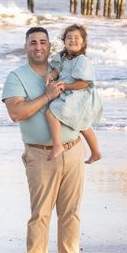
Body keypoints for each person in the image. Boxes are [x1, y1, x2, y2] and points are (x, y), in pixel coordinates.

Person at [2, 26, 85, 253]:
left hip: (73, 149)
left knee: (71, 214)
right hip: (40, 154)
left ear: (50, 46)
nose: (38, 47)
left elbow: (84, 97)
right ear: (26, 46)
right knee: (40, 215)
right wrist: (47, 96)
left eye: (43, 42)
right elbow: (16, 113)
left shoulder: (65, 70)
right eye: (33, 43)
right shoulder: (16, 77)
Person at [44, 24, 103, 163]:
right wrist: (51, 75)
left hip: (78, 94)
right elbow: (58, 70)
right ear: (64, 41)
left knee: (51, 113)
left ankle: (58, 145)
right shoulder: (63, 57)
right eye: (69, 38)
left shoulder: (82, 60)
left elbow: (85, 83)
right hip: (68, 92)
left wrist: (66, 86)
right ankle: (96, 152)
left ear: (83, 42)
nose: (72, 40)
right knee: (83, 125)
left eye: (77, 38)